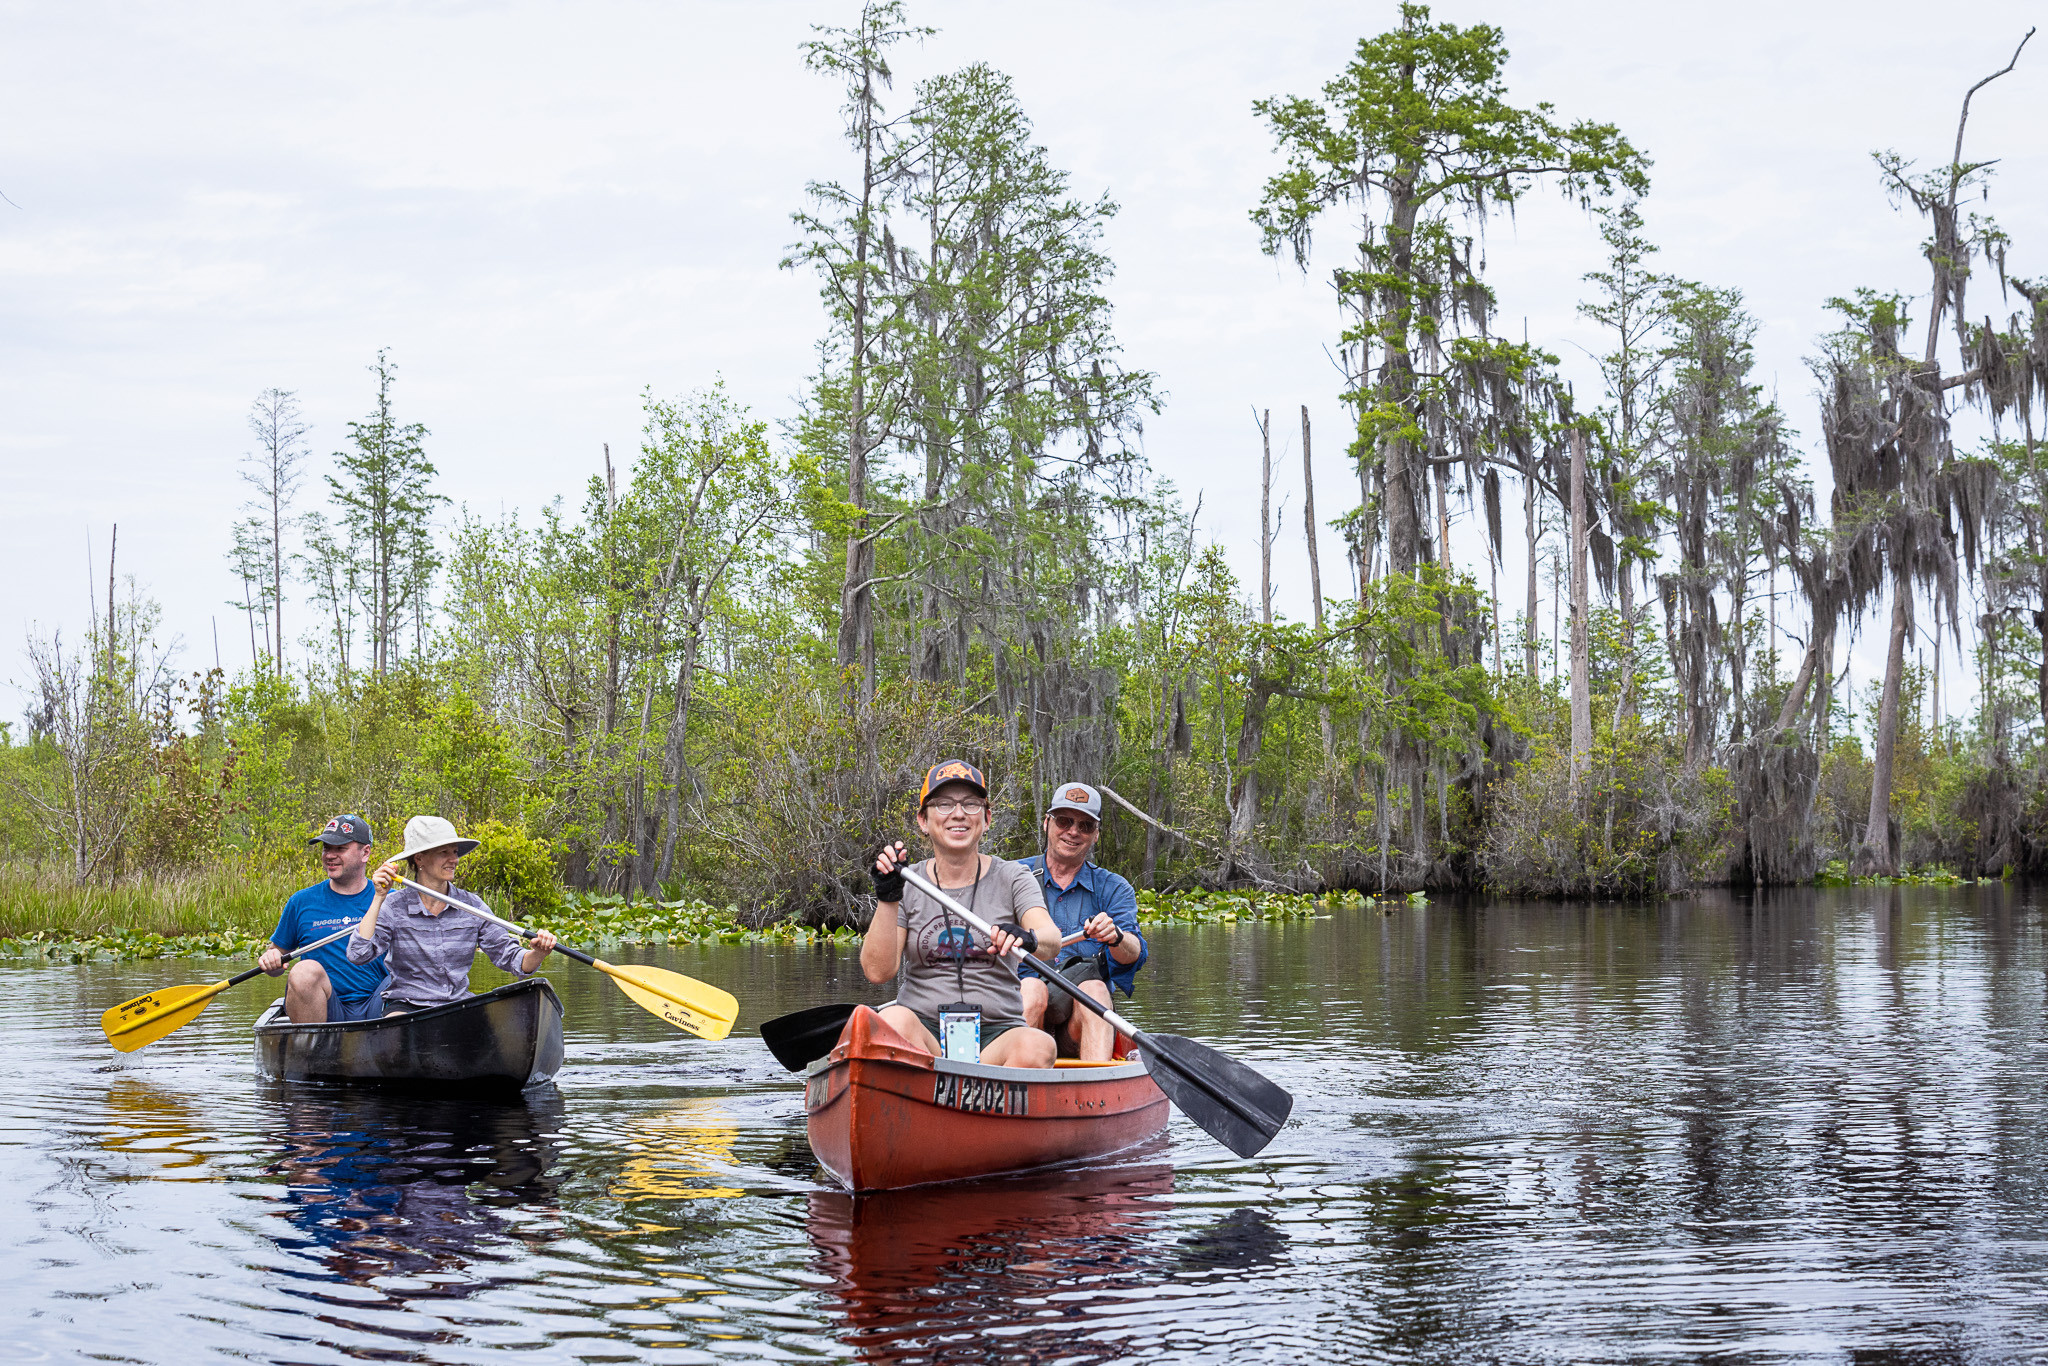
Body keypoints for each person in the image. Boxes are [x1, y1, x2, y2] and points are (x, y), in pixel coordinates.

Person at [862, 759, 1063, 1068]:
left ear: (986, 818)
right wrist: (888, 898)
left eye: (970, 805)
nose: (958, 814)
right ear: (923, 820)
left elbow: (1051, 941)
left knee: (1039, 1046)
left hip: (998, 1034)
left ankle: (982, 1100)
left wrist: (1028, 937)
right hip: (923, 1038)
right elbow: (878, 972)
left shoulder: (1014, 876)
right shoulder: (907, 881)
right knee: (892, 1021)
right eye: (943, 804)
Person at [348, 815, 557, 1015]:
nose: (454, 860)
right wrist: (378, 898)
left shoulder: (472, 906)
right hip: (406, 1006)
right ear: (419, 858)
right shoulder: (394, 906)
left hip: (458, 1006)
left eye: (455, 852)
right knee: (396, 1031)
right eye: (444, 852)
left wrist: (538, 953)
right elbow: (358, 954)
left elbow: (513, 959)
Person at [1016, 783, 1147, 1061]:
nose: (1073, 831)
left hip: (1077, 1027)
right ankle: (1014, 1084)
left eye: (1085, 825)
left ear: (1096, 835)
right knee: (1032, 988)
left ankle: (1097, 1093)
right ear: (1046, 823)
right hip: (1019, 1012)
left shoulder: (1114, 887)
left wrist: (1116, 937)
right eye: (1064, 820)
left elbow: (1133, 953)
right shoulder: (1013, 875)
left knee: (1095, 989)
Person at [259, 814, 390, 1023]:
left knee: (411, 975)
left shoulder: (390, 901)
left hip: (379, 1007)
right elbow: (276, 957)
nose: (330, 855)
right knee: (303, 971)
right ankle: (314, 1050)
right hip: (325, 1010)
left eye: (340, 848)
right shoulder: (301, 901)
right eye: (327, 848)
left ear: (365, 852)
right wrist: (270, 960)